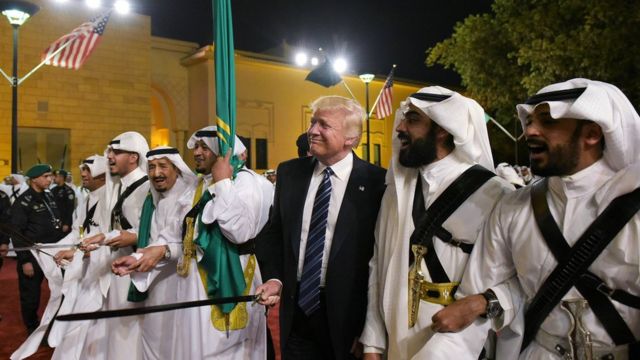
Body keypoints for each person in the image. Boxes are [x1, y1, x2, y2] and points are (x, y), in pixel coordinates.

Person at [428, 78, 640, 359]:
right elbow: (470, 309)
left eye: (547, 121)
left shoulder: (633, 206)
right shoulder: (513, 208)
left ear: (591, 133)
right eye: (528, 120)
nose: (530, 130)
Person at [359, 87, 513, 359]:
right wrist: (372, 342)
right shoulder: (397, 191)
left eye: (413, 120)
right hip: (398, 338)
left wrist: (479, 304)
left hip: (461, 340)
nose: (400, 128)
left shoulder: (494, 193)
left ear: (443, 129)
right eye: (404, 118)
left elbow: (517, 279)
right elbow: (378, 264)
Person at [256, 95, 386, 359]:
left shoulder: (377, 183)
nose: (312, 130)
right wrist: (274, 278)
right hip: (297, 314)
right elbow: (273, 234)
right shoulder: (290, 173)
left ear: (350, 138)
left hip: (351, 320)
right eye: (313, 122)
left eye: (323, 125)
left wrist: (370, 332)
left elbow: (380, 255)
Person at [175, 126, 273, 359]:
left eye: (204, 148)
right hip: (196, 280)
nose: (197, 152)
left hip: (234, 273)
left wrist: (223, 183)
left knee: (229, 349)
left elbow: (239, 233)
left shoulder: (248, 182)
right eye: (196, 147)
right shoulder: (198, 183)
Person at [111, 146, 196, 360]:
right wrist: (135, 258)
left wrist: (156, 253)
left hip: (184, 284)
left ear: (177, 169)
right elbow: (153, 239)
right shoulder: (157, 201)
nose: (156, 173)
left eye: (162, 166)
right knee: (153, 339)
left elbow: (185, 243)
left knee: (178, 344)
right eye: (151, 167)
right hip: (157, 285)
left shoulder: (189, 200)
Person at [81, 131, 150, 359]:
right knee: (119, 332)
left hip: (139, 271)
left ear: (134, 157)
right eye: (109, 151)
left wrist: (131, 237)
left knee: (132, 333)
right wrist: (101, 238)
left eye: (116, 152)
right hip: (117, 270)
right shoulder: (120, 187)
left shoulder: (147, 187)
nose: (109, 156)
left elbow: (161, 231)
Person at [10, 164, 65, 334]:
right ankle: (32, 328)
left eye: (50, 176)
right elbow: (16, 233)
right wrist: (25, 260)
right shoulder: (23, 202)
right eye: (46, 176)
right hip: (33, 254)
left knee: (59, 290)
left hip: (52, 252)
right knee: (31, 295)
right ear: (34, 179)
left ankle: (57, 325)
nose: (50, 179)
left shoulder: (48, 196)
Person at [51, 169, 76, 234]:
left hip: (64, 222)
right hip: (55, 222)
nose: (53, 178)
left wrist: (67, 224)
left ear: (61, 177)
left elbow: (70, 209)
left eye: (56, 176)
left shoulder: (68, 191)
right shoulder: (53, 190)